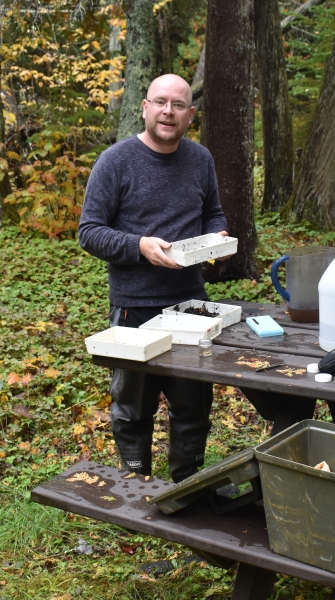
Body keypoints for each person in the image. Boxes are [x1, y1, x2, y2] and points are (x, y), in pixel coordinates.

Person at [78, 74, 229, 482]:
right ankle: (135, 486)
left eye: (178, 105)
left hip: (189, 305)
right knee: (132, 408)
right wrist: (138, 246)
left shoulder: (201, 160)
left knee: (193, 407)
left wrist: (217, 234)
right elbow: (89, 231)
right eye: (160, 102)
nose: (168, 111)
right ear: (144, 107)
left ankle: (187, 484)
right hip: (134, 307)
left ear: (190, 114)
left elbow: (213, 211)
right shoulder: (116, 161)